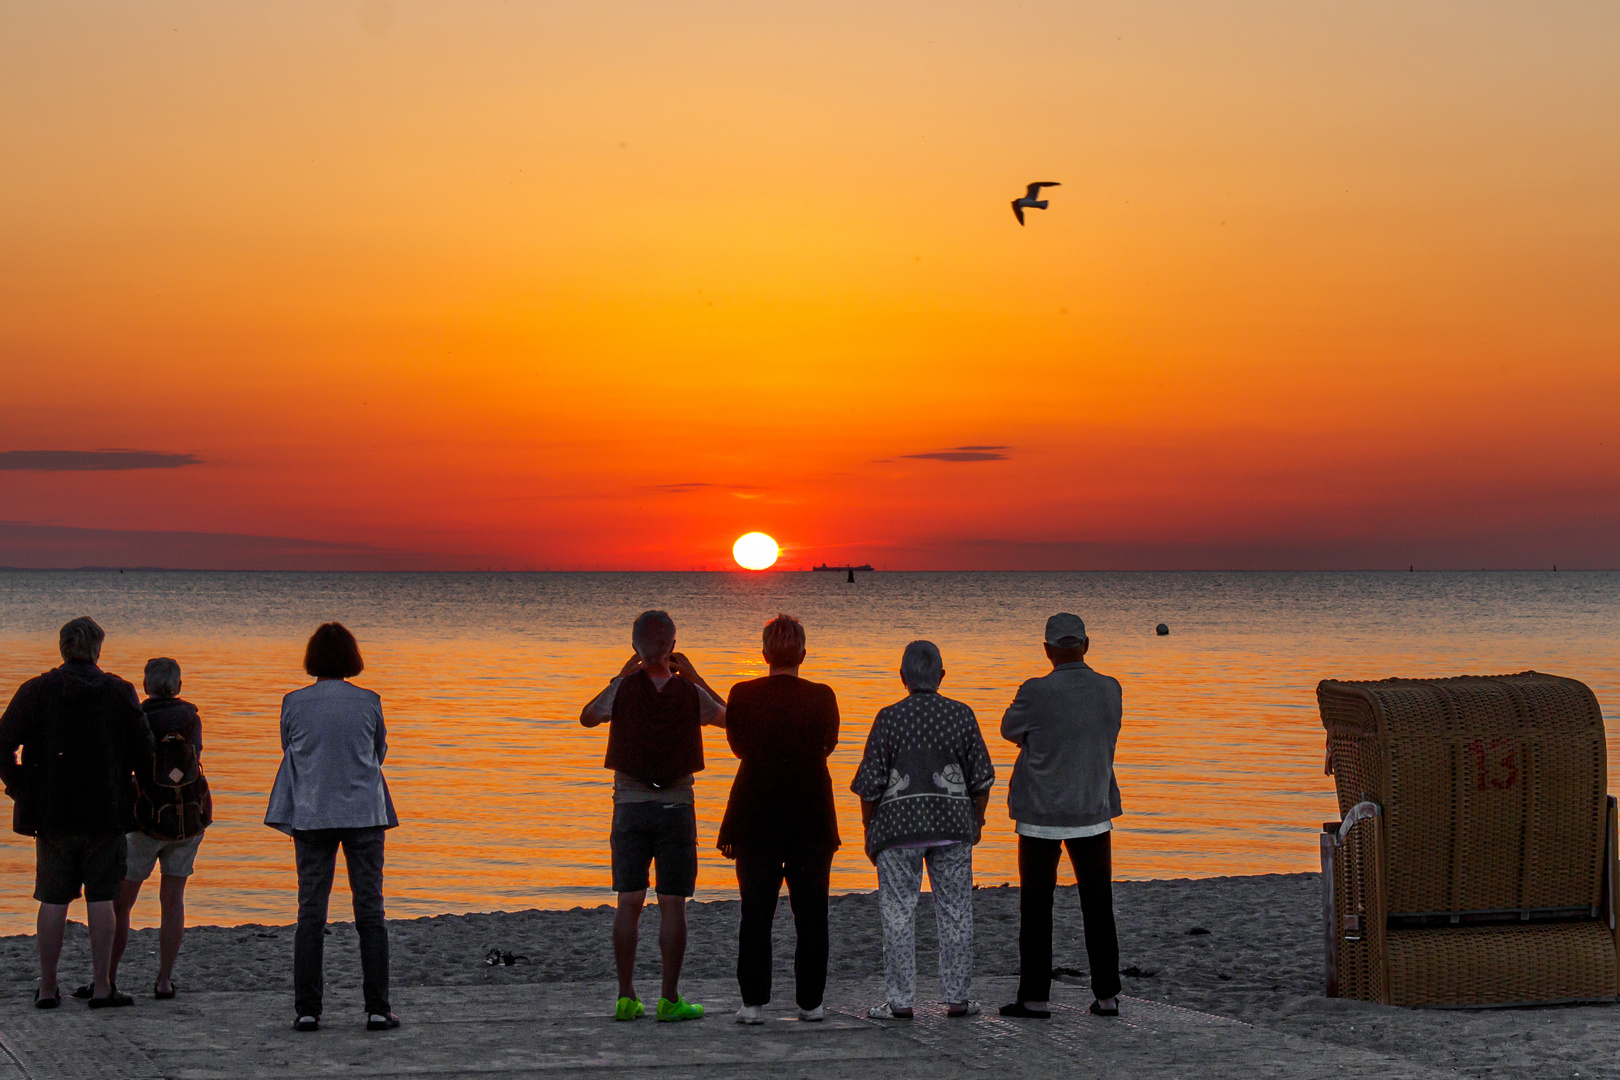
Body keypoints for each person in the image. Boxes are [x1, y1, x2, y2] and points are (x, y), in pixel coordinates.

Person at [580, 609, 726, 1023]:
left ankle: (626, 996)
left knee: (629, 901)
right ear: (674, 648)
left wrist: (621, 675)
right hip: (676, 806)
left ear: (634, 649)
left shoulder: (623, 689)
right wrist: (696, 678)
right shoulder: (690, 694)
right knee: (673, 904)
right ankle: (669, 998)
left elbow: (587, 716)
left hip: (629, 805)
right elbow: (732, 719)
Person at [0, 616, 151, 1009]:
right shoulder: (119, 691)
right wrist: (135, 787)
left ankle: (48, 988)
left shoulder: (36, 691)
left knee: (52, 900)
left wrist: (20, 787)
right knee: (101, 898)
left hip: (52, 813)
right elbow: (144, 750)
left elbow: (2, 744)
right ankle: (102, 987)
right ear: (97, 649)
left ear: (62, 648)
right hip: (106, 812)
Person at [265, 622, 400, 1033]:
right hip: (363, 813)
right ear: (352, 658)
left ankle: (308, 1009)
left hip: (312, 813)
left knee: (310, 912)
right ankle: (377, 1008)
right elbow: (378, 752)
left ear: (312, 659)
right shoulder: (369, 701)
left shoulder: (293, 701)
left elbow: (289, 748)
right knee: (370, 911)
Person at [851, 640, 994, 1020]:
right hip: (951, 826)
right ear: (942, 676)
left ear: (902, 678)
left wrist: (869, 830)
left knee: (897, 913)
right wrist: (976, 822)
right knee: (956, 912)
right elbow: (982, 778)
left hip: (898, 831)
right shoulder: (961, 715)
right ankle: (958, 998)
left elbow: (869, 784)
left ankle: (900, 1002)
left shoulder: (889, 718)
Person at [997, 613, 1123, 1020]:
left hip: (1041, 813)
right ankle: (1106, 996)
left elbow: (1009, 730)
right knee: (1098, 904)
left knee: (1036, 906)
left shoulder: (1035, 691)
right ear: (1086, 645)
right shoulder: (1111, 689)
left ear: (1048, 650)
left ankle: (1034, 997)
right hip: (1092, 808)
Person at [717, 614, 840, 1025]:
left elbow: (737, 747)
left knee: (755, 912)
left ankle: (752, 1003)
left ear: (765, 653)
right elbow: (828, 746)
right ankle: (811, 1002)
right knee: (811, 913)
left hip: (755, 813)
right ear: (803, 653)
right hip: (811, 813)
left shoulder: (743, 694)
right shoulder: (823, 696)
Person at [109, 657, 212, 1001]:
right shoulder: (191, 718)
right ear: (178, 686)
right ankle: (165, 980)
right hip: (188, 818)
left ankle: (107, 978)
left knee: (122, 903)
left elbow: (126, 763)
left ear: (146, 685)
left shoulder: (138, 717)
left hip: (146, 819)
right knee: (173, 900)